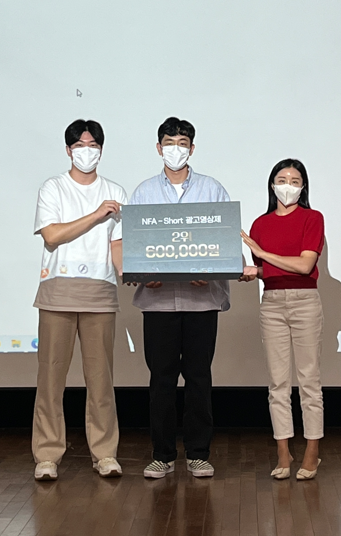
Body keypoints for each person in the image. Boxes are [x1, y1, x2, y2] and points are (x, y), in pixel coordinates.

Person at [128, 117, 230, 479]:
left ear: (192, 148)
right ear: (159, 148)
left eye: (182, 143)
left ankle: (199, 453)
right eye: (169, 143)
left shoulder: (212, 189)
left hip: (202, 301)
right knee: (161, 379)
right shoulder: (143, 192)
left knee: (199, 377)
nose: (176, 149)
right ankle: (163, 454)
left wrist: (211, 270)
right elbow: (134, 243)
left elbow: (224, 239)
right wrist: (144, 272)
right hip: (158, 302)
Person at [31, 119, 127, 481]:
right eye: (80, 146)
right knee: (50, 379)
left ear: (101, 150)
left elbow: (117, 245)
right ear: (68, 150)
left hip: (100, 294)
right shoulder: (53, 187)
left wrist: (132, 273)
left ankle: (105, 454)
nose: (87, 152)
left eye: (93, 146)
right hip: (57, 292)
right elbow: (52, 235)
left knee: (101, 381)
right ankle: (47, 456)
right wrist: (97, 214)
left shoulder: (116, 191)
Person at [241, 159, 325, 480]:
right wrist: (253, 271)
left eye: (294, 180)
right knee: (278, 384)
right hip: (272, 302)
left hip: (305, 301)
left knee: (309, 381)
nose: (287, 186)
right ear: (272, 184)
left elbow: (305, 266)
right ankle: (283, 452)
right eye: (281, 179)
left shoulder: (312, 218)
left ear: (303, 187)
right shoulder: (260, 224)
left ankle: (312, 453)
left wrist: (262, 256)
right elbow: (270, 270)